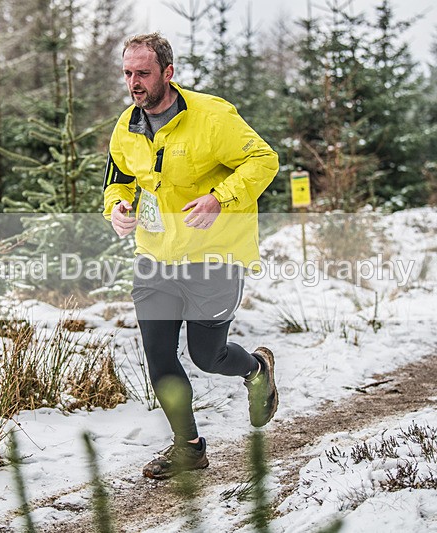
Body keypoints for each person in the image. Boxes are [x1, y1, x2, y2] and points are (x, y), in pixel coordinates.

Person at [102, 33, 280, 479]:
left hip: (213, 256)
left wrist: (220, 197)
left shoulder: (213, 116)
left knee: (207, 356)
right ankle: (189, 447)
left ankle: (257, 368)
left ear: (168, 72)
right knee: (159, 354)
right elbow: (119, 179)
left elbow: (263, 160)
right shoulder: (127, 125)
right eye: (127, 73)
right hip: (155, 257)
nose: (134, 83)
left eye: (143, 73)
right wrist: (117, 208)